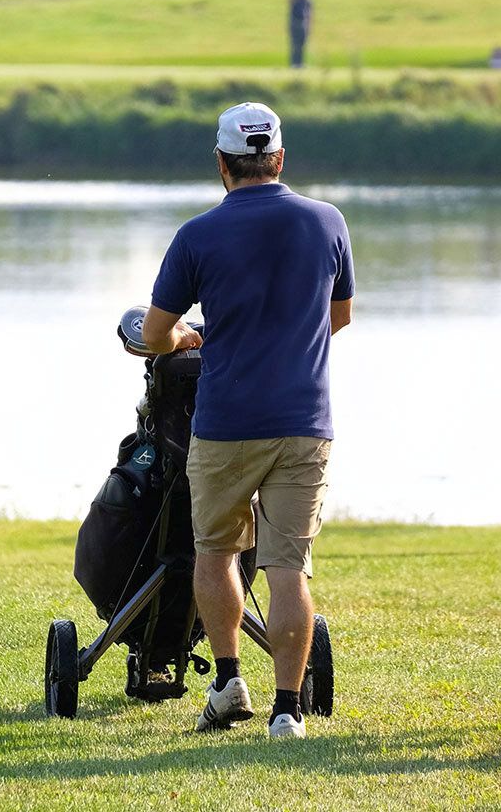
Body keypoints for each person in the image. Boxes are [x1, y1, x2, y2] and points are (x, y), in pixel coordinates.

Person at [142, 101, 354, 740]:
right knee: (288, 566)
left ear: (221, 165)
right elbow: (338, 316)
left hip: (226, 422)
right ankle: (286, 712)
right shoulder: (328, 221)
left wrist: (190, 340)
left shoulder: (198, 235)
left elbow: (155, 336)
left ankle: (230, 680)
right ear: (280, 159)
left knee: (216, 552)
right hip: (304, 421)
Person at [287, 0, 313, 69]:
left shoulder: (308, 0)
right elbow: (289, 0)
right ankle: (294, 64)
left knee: (302, 45)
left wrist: (309, 26)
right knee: (295, 45)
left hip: (303, 23)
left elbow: (309, 14)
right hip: (295, 22)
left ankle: (300, 63)